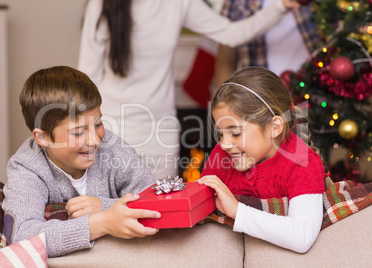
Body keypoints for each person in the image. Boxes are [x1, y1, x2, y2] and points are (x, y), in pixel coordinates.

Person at [77, 0, 301, 180]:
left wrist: (281, 6)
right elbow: (87, 76)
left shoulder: (179, 3)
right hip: (112, 130)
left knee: (159, 215)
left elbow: (232, 34)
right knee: (113, 215)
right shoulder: (100, 5)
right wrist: (87, 132)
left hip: (160, 131)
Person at [2, 66, 160, 257]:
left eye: (98, 124)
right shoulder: (26, 167)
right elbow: (22, 237)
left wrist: (103, 206)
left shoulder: (114, 149)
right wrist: (101, 222)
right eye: (78, 132)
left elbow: (157, 203)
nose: (95, 140)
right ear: (43, 138)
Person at [198, 66, 326, 253]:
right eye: (220, 134)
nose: (224, 144)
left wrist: (237, 211)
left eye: (235, 133)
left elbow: (303, 236)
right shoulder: (222, 154)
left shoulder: (302, 162)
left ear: (275, 127)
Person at [215, 0, 321, 86]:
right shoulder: (237, 2)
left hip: (314, 90)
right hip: (262, 99)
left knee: (304, 112)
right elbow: (226, 54)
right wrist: (223, 101)